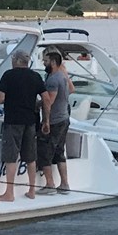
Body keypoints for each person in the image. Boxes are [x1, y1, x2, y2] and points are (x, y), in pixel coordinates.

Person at [0, 51, 45, 202]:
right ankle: (32, 190)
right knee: (30, 157)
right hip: (31, 120)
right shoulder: (35, 76)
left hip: (13, 120)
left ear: (16, 60)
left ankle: (9, 192)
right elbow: (46, 98)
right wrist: (45, 119)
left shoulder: (9, 75)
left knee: (11, 157)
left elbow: (0, 99)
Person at [38, 51, 73, 194]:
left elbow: (49, 102)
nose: (43, 63)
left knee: (45, 151)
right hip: (64, 117)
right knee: (59, 151)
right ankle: (64, 184)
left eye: (45, 60)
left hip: (55, 120)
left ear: (52, 62)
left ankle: (50, 184)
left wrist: (44, 120)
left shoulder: (53, 79)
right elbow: (71, 90)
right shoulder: (63, 76)